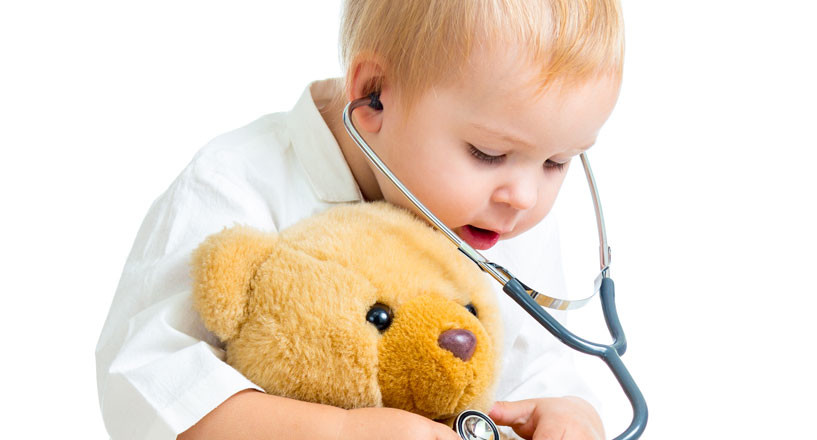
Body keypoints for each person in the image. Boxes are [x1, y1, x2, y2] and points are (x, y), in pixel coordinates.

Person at [95, 1, 624, 439]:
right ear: (373, 96)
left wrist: (572, 413)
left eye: (558, 162)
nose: (526, 197)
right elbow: (147, 387)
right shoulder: (234, 184)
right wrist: (340, 433)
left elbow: (541, 365)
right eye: (488, 153)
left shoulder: (497, 211)